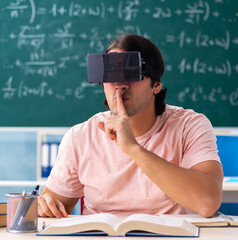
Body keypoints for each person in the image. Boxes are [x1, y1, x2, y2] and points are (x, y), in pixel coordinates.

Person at [38, 34, 223, 218]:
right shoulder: (81, 136)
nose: (120, 85)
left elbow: (208, 203)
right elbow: (52, 208)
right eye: (111, 75)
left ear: (156, 85)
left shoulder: (189, 126)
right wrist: (45, 206)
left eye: (131, 73)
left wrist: (133, 148)